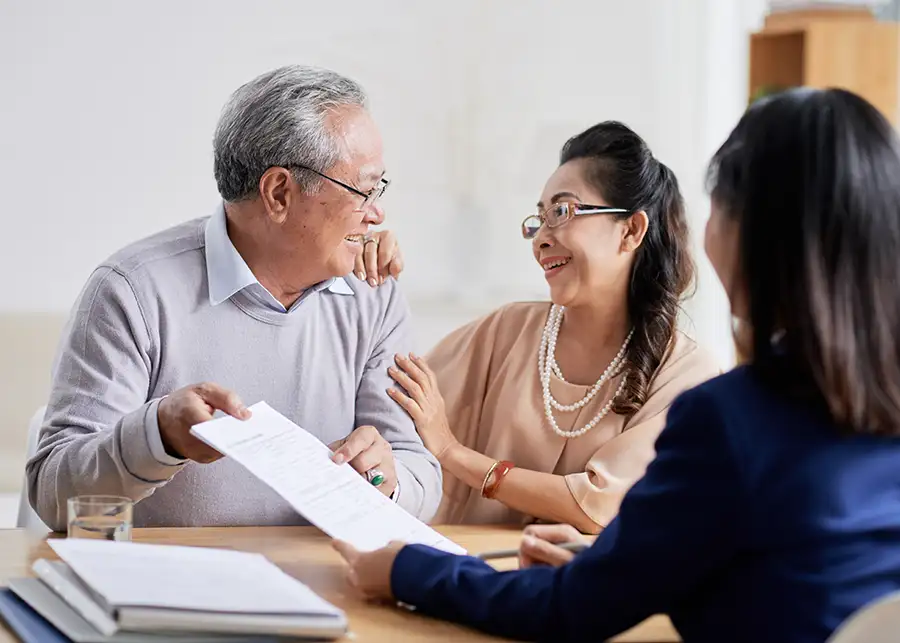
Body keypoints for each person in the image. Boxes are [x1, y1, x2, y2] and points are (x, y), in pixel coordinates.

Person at [333, 88, 900, 642]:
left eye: (719, 207)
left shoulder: (723, 416)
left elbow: (570, 611)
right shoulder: (508, 329)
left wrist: (408, 570)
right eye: (540, 216)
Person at [26, 65, 441, 530]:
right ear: (279, 192)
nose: (377, 213)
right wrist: (158, 436)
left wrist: (388, 482)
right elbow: (52, 495)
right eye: (363, 190)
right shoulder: (133, 289)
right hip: (171, 591)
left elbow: (420, 473)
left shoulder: (374, 293)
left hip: (329, 588)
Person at [380, 121, 720, 532]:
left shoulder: (686, 374)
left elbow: (600, 506)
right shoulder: (506, 331)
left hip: (583, 595)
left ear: (631, 230)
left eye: (562, 211)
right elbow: (385, 398)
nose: (540, 237)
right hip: (463, 576)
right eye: (539, 219)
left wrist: (453, 452)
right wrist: (363, 272)